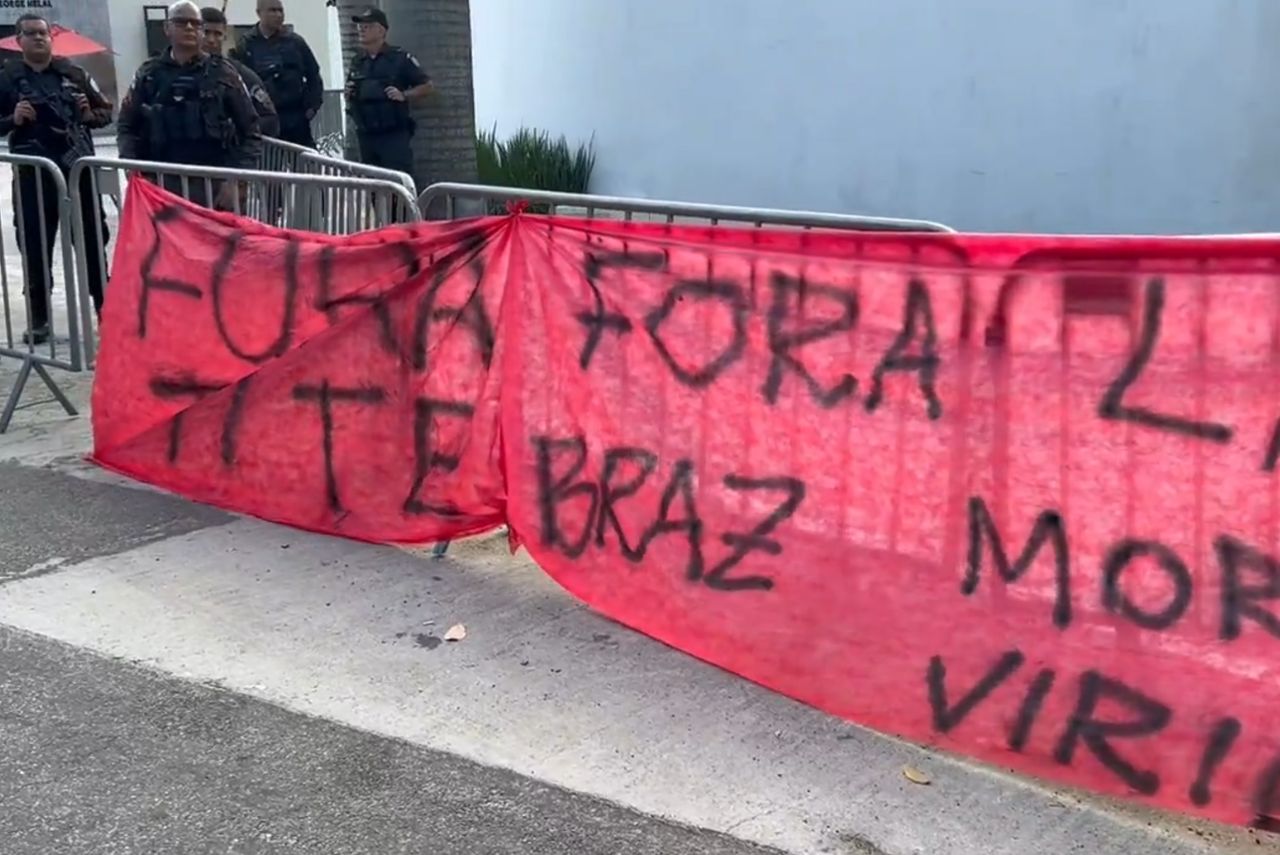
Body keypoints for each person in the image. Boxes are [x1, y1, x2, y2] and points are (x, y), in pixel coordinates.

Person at [0, 13, 112, 345]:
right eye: (30, 33)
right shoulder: (6, 78)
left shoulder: (74, 73)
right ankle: (39, 319)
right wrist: (11, 119)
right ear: (19, 40)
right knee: (35, 245)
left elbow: (106, 111)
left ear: (52, 38)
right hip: (34, 175)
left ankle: (105, 309)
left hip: (77, 173)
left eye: (43, 33)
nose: (38, 38)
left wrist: (90, 115)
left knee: (92, 242)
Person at [117, 0, 262, 210]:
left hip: (215, 187)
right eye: (181, 22)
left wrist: (236, 181)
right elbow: (126, 126)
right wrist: (133, 170)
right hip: (160, 187)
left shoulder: (223, 73)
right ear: (167, 28)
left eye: (196, 23)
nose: (189, 28)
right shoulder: (148, 75)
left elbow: (251, 131)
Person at [345, 7, 432, 182]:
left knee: (398, 187)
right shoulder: (357, 61)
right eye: (360, 26)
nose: (362, 29)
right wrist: (349, 93)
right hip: (367, 135)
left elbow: (427, 86)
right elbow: (352, 89)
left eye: (367, 26)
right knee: (373, 189)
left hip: (393, 135)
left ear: (381, 30)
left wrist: (404, 95)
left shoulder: (399, 58)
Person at [230, 0, 322, 147]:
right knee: (268, 167)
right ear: (259, 13)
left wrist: (312, 108)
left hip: (296, 119)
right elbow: (237, 82)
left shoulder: (295, 42)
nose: (278, 15)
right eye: (272, 10)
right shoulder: (246, 45)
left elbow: (314, 76)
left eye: (281, 10)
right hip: (265, 121)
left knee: (303, 167)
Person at [200, 6, 279, 138]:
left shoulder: (240, 75)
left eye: (217, 34)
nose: (211, 40)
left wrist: (236, 131)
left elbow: (271, 121)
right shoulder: (175, 70)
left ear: (224, 36)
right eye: (206, 32)